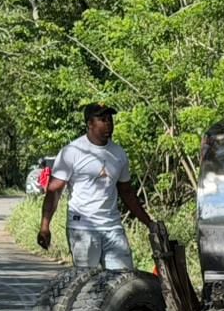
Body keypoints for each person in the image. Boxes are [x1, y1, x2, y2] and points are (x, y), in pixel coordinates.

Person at [37, 103, 152, 270]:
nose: (108, 124)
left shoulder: (118, 154)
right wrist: (45, 226)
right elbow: (54, 191)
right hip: (83, 228)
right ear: (90, 123)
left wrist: (149, 223)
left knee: (123, 281)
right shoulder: (72, 151)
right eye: (102, 119)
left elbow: (127, 193)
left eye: (110, 119)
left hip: (112, 227)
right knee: (86, 281)